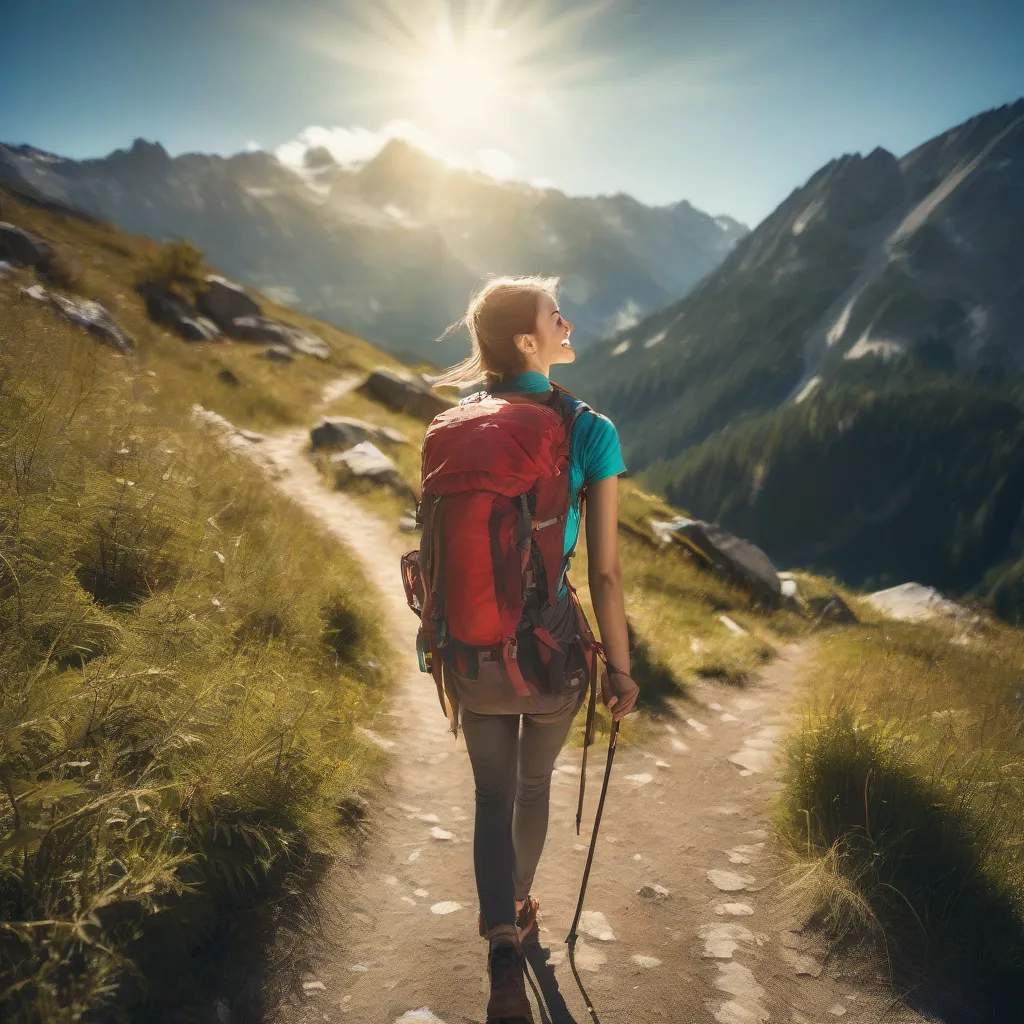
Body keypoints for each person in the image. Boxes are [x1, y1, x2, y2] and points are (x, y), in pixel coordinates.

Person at [428, 276, 640, 1023]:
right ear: (528, 340)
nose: (567, 321)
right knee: (530, 788)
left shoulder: (459, 421)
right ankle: (518, 909)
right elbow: (606, 573)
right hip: (550, 659)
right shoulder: (589, 430)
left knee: (489, 796)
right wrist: (619, 670)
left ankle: (501, 953)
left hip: (471, 656)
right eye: (556, 316)